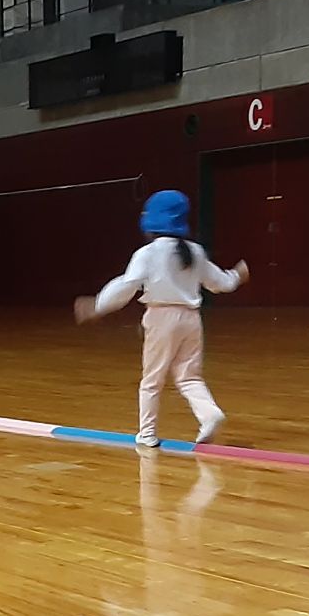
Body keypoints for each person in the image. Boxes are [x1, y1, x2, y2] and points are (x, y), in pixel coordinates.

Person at [74, 189, 248, 447]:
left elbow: (127, 284)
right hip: (191, 319)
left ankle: (147, 434)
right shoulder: (195, 251)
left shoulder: (148, 253)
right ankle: (209, 414)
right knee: (189, 376)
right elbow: (219, 282)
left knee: (152, 380)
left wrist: (98, 305)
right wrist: (236, 276)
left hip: (161, 318)